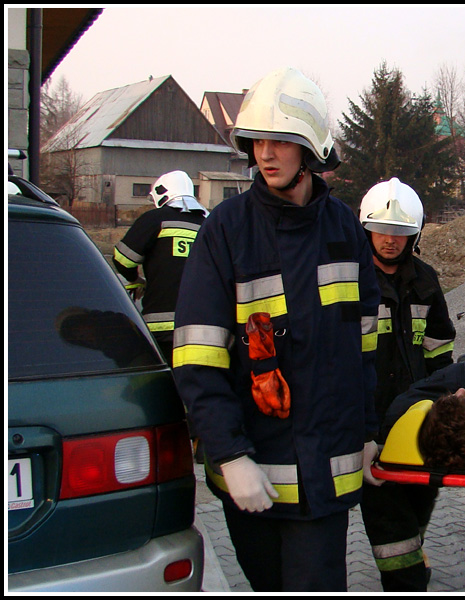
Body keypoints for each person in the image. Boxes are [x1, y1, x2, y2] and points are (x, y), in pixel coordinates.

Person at [171, 66, 380, 592]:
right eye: (257, 141)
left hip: (327, 480)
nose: (266, 154)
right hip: (254, 479)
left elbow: (367, 348)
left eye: (282, 141)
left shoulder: (345, 230)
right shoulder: (226, 231)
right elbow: (198, 358)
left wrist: (371, 429)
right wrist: (229, 454)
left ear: (310, 150)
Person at [357, 177, 456, 592]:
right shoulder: (350, 280)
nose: (390, 241)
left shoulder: (426, 281)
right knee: (387, 519)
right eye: (382, 231)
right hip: (370, 422)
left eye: (399, 233)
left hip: (415, 419)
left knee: (417, 505)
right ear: (365, 230)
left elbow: (439, 352)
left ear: (413, 235)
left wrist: (443, 413)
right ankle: (407, 581)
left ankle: (413, 562)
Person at [112, 170, 208, 364]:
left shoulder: (156, 219)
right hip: (203, 331)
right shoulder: (209, 224)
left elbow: (123, 259)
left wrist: (134, 279)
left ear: (161, 193)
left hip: (161, 327)